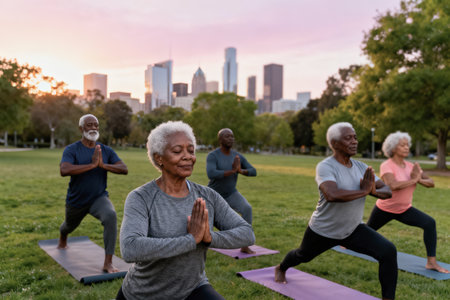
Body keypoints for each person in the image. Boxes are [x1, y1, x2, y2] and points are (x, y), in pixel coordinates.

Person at [117, 121, 255, 300]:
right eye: (177, 151)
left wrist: (209, 238)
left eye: (191, 150)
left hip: (192, 288)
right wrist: (190, 240)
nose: (187, 157)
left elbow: (247, 234)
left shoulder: (208, 196)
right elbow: (130, 248)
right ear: (159, 158)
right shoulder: (141, 198)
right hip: (144, 294)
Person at [274, 122, 398, 300]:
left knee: (388, 251)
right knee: (303, 255)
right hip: (324, 230)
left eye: (355, 137)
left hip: (352, 229)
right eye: (348, 138)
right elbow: (332, 194)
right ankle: (281, 268)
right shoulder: (326, 166)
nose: (354, 141)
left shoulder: (361, 167)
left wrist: (373, 191)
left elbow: (387, 190)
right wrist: (363, 191)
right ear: (335, 143)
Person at [367, 131, 448, 273]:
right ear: (393, 148)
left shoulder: (412, 166)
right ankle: (345, 242)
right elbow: (392, 186)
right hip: (385, 209)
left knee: (429, 223)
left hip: (404, 209)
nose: (406, 147)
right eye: (402, 145)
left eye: (407, 145)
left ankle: (431, 262)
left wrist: (419, 179)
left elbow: (431, 183)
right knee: (366, 232)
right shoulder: (387, 165)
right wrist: (413, 180)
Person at [58, 114, 128, 273]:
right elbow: (64, 170)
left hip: (98, 198)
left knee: (110, 215)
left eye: (96, 125)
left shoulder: (105, 150)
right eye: (89, 125)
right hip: (76, 200)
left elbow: (124, 169)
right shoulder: (72, 149)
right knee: (69, 225)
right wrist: (91, 165)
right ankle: (63, 236)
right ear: (81, 128)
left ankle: (108, 263)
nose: (94, 128)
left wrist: (103, 165)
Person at [206, 128, 257, 254]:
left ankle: (245, 244)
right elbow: (211, 173)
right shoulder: (213, 155)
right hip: (213, 194)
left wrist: (241, 171)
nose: (231, 139)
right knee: (209, 220)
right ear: (220, 139)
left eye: (232, 136)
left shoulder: (237, 156)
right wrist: (232, 171)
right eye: (227, 136)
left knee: (247, 208)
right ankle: (204, 244)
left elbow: (254, 171)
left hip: (231, 193)